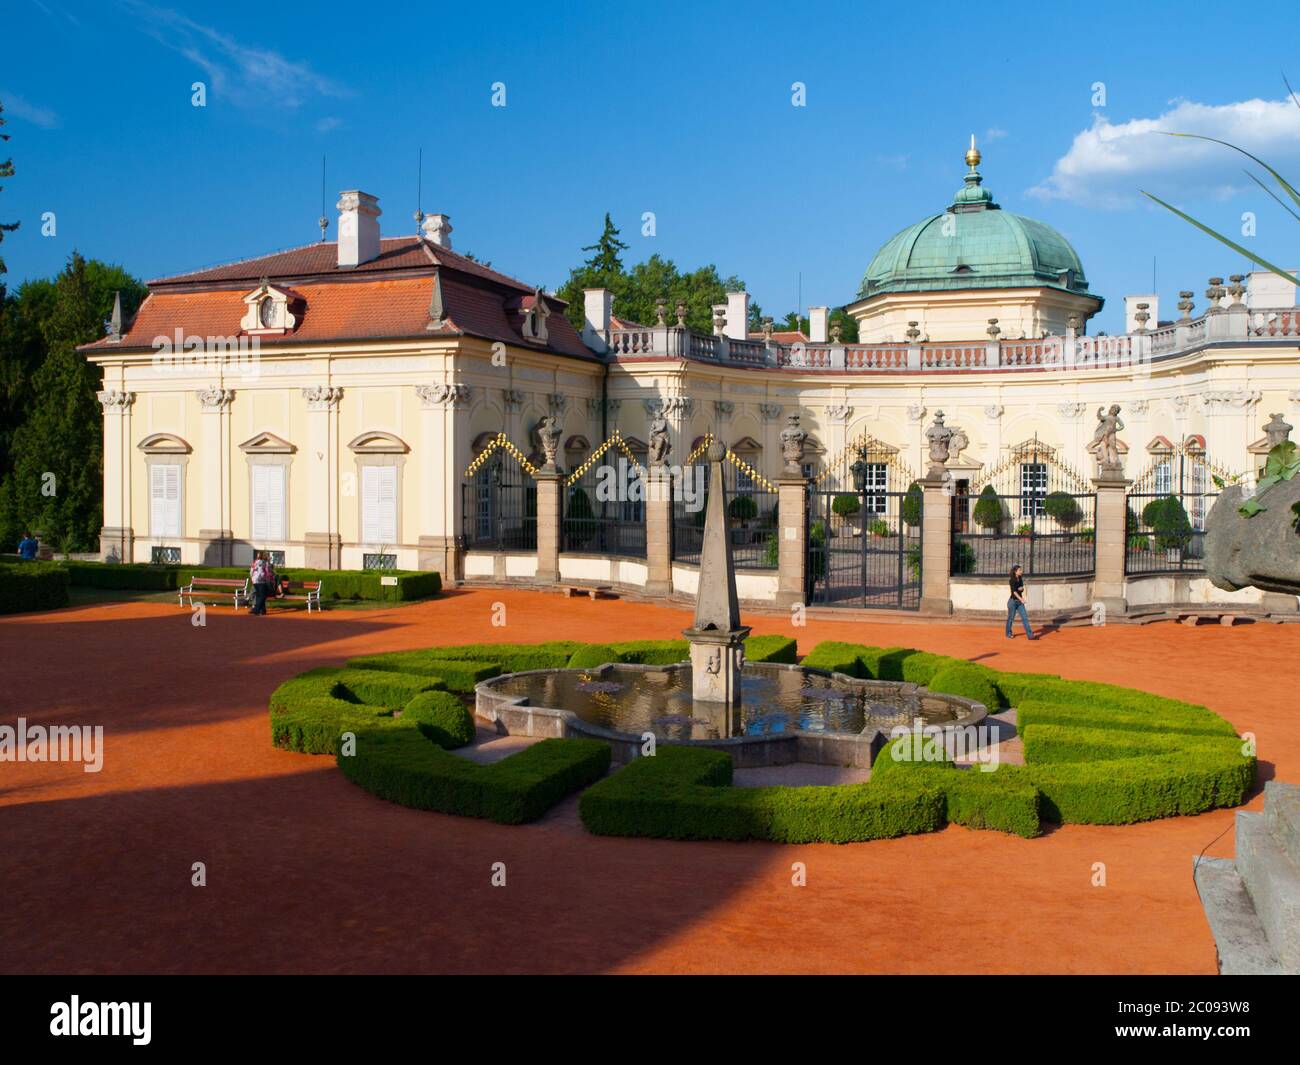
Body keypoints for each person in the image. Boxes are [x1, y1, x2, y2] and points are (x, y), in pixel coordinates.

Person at [1006, 564, 1035, 640]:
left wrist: (1021, 589)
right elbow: (1014, 592)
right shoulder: (1012, 580)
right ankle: (1008, 633)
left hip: (1019, 603)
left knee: (1025, 618)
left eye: (1021, 570)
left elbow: (1021, 588)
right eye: (1019, 570)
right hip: (1012, 602)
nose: (1021, 571)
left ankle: (1030, 635)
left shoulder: (1020, 578)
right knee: (1011, 618)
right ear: (1015, 571)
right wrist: (1021, 599)